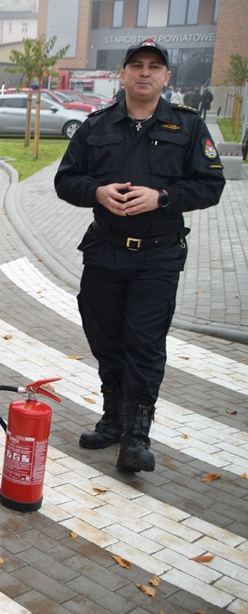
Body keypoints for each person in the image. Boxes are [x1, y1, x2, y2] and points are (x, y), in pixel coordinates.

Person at [55, 39, 224, 473]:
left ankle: (137, 436)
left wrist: (163, 197)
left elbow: (211, 186)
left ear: (167, 77)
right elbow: (65, 180)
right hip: (105, 252)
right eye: (136, 66)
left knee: (144, 345)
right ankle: (113, 419)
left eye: (154, 67)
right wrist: (96, 190)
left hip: (158, 257)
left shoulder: (188, 127)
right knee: (106, 339)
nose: (144, 73)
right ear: (124, 75)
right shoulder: (97, 126)